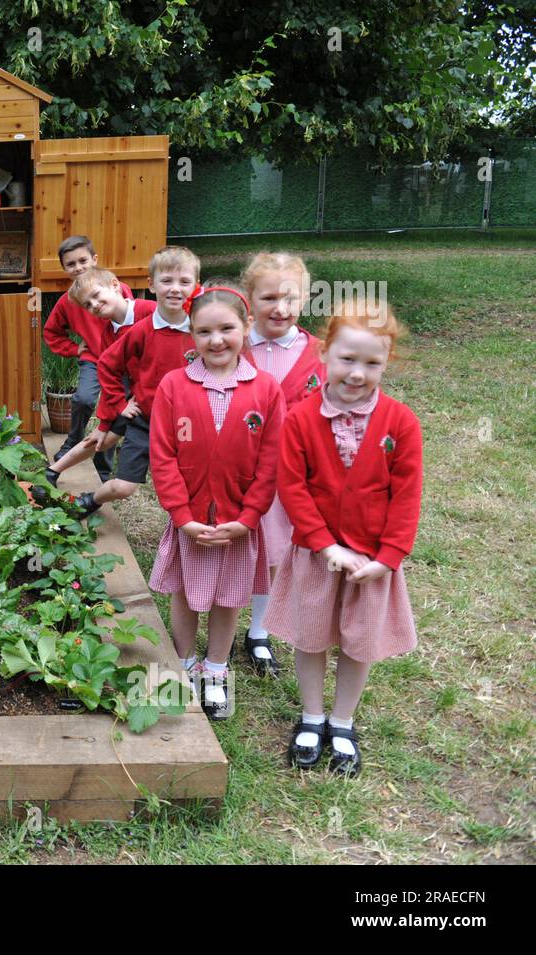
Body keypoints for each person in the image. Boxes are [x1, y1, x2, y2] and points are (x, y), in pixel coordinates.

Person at [265, 301, 423, 776]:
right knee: (311, 637)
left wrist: (389, 555)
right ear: (324, 354)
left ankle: (343, 721)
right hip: (318, 554)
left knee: (359, 642)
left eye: (372, 363)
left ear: (387, 362)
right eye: (347, 359)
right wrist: (324, 544)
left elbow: (406, 495)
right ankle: (312, 716)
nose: (357, 373)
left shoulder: (401, 423)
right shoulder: (300, 419)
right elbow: (292, 488)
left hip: (372, 561)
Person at [147, 285, 285, 720]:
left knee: (229, 598)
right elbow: (163, 454)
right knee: (185, 593)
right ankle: (182, 664)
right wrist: (182, 516)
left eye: (227, 328)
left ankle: (217, 670)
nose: (216, 340)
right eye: (204, 331)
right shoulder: (174, 386)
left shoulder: (265, 390)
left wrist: (248, 518)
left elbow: (271, 459)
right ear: (191, 335)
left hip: (237, 525)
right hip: (192, 522)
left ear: (246, 328)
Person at [48, 245, 200, 517]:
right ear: (152, 284)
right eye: (88, 304)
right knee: (103, 435)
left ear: (116, 286)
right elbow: (109, 368)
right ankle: (54, 472)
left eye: (96, 297)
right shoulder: (118, 331)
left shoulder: (151, 313)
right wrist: (116, 408)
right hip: (140, 399)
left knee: (110, 438)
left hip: (158, 400)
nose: (94, 306)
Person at [239, 252, 326, 676]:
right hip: (236, 470)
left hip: (289, 476)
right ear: (249, 299)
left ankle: (258, 631)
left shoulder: (320, 355)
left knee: (274, 553)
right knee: (232, 549)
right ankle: (213, 625)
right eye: (269, 297)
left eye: (290, 298)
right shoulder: (231, 342)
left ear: (304, 299)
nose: (280, 308)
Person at [41, 237, 134, 481]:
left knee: (114, 412)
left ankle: (102, 466)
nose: (78, 267)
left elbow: (131, 323)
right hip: (93, 358)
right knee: (82, 399)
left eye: (83, 260)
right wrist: (75, 349)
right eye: (71, 264)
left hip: (122, 363)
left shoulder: (117, 288)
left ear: (94, 259)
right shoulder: (68, 301)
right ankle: (74, 438)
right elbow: (51, 332)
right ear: (64, 269)